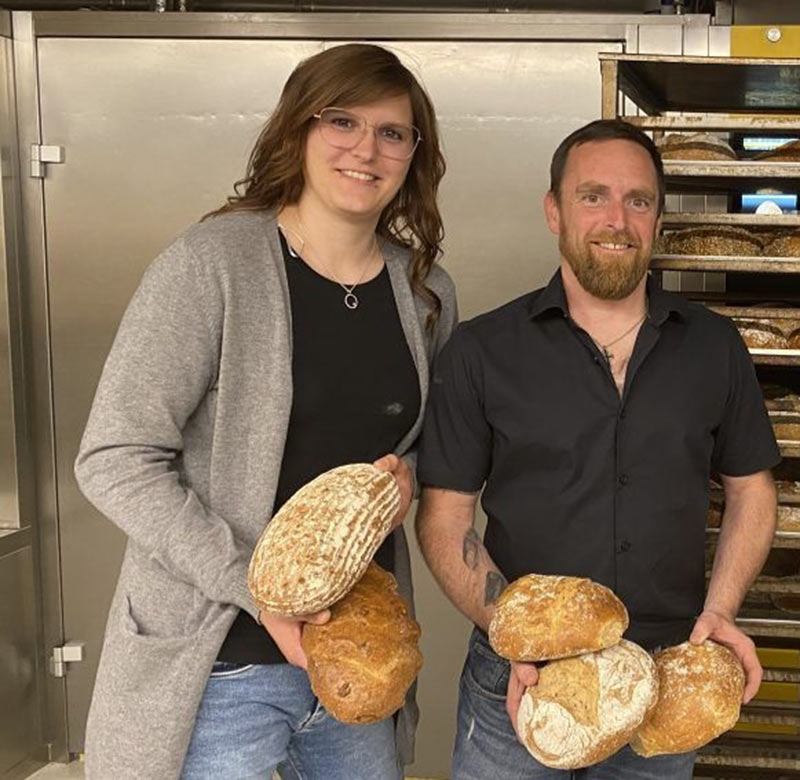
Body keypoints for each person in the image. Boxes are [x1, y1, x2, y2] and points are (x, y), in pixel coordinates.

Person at [75, 43, 457, 780]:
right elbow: (115, 457)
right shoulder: (210, 265)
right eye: (341, 120)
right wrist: (254, 586)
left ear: (414, 153)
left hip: (354, 660)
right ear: (298, 130)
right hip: (218, 667)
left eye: (392, 132)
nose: (365, 149)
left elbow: (423, 439)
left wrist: (404, 476)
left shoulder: (424, 290)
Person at [415, 119, 778, 780]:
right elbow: (444, 520)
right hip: (516, 683)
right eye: (594, 196)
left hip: (664, 673)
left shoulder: (713, 346)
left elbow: (752, 489)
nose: (618, 219)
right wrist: (518, 633)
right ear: (554, 210)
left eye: (638, 200)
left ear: (658, 218)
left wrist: (720, 611)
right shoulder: (483, 352)